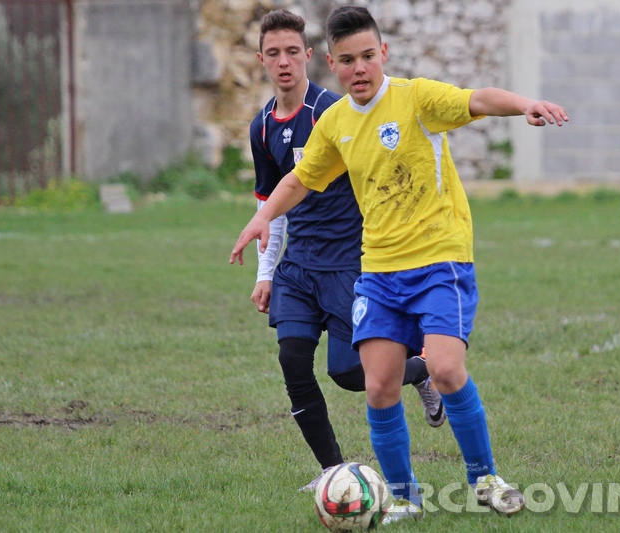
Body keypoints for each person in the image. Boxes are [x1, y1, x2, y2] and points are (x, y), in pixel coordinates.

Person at [231, 5, 568, 520]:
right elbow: (299, 180)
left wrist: (525, 104)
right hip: (379, 271)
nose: (359, 69)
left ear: (383, 53)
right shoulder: (337, 122)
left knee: (448, 368)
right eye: (347, 60)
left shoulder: (416, 99)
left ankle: (486, 479)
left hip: (439, 261)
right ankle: (405, 498)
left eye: (368, 56)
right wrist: (262, 220)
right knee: (379, 384)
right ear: (332, 63)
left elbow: (478, 99)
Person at [245, 9, 445, 494]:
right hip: (297, 266)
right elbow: (270, 208)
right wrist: (265, 273)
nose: (284, 62)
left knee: (350, 373)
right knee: (292, 359)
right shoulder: (262, 127)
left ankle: (418, 370)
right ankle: (334, 472)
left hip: (347, 264)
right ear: (262, 60)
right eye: (274, 53)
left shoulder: (334, 113)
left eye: (293, 51)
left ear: (311, 56)